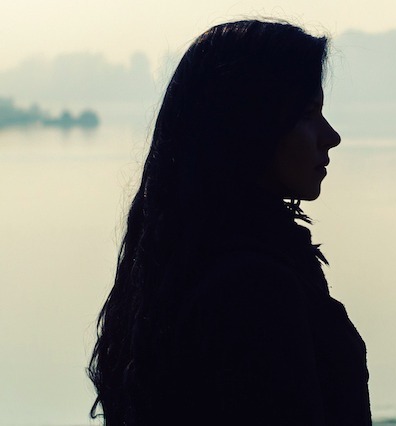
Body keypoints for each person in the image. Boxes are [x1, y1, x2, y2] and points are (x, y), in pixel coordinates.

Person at [87, 19, 368, 425]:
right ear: (251, 124)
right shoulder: (254, 288)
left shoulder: (174, 264)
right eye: (308, 114)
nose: (331, 136)